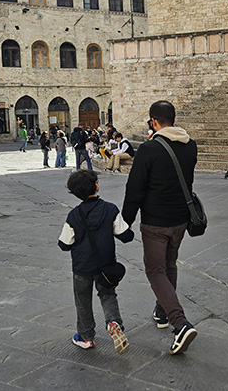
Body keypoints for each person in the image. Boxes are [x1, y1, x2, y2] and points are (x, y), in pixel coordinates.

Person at [121, 100, 199, 355]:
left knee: (155, 270)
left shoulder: (148, 149)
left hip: (155, 222)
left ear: (154, 122)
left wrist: (125, 222)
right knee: (170, 265)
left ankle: (180, 324)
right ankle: (162, 311)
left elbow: (135, 189)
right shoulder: (191, 146)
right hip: (181, 220)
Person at [59, 169, 134, 353]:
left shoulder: (73, 215)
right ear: (96, 185)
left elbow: (64, 244)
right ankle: (114, 322)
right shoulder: (110, 209)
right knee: (108, 295)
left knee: (82, 300)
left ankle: (86, 337)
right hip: (105, 266)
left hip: (82, 267)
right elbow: (125, 235)